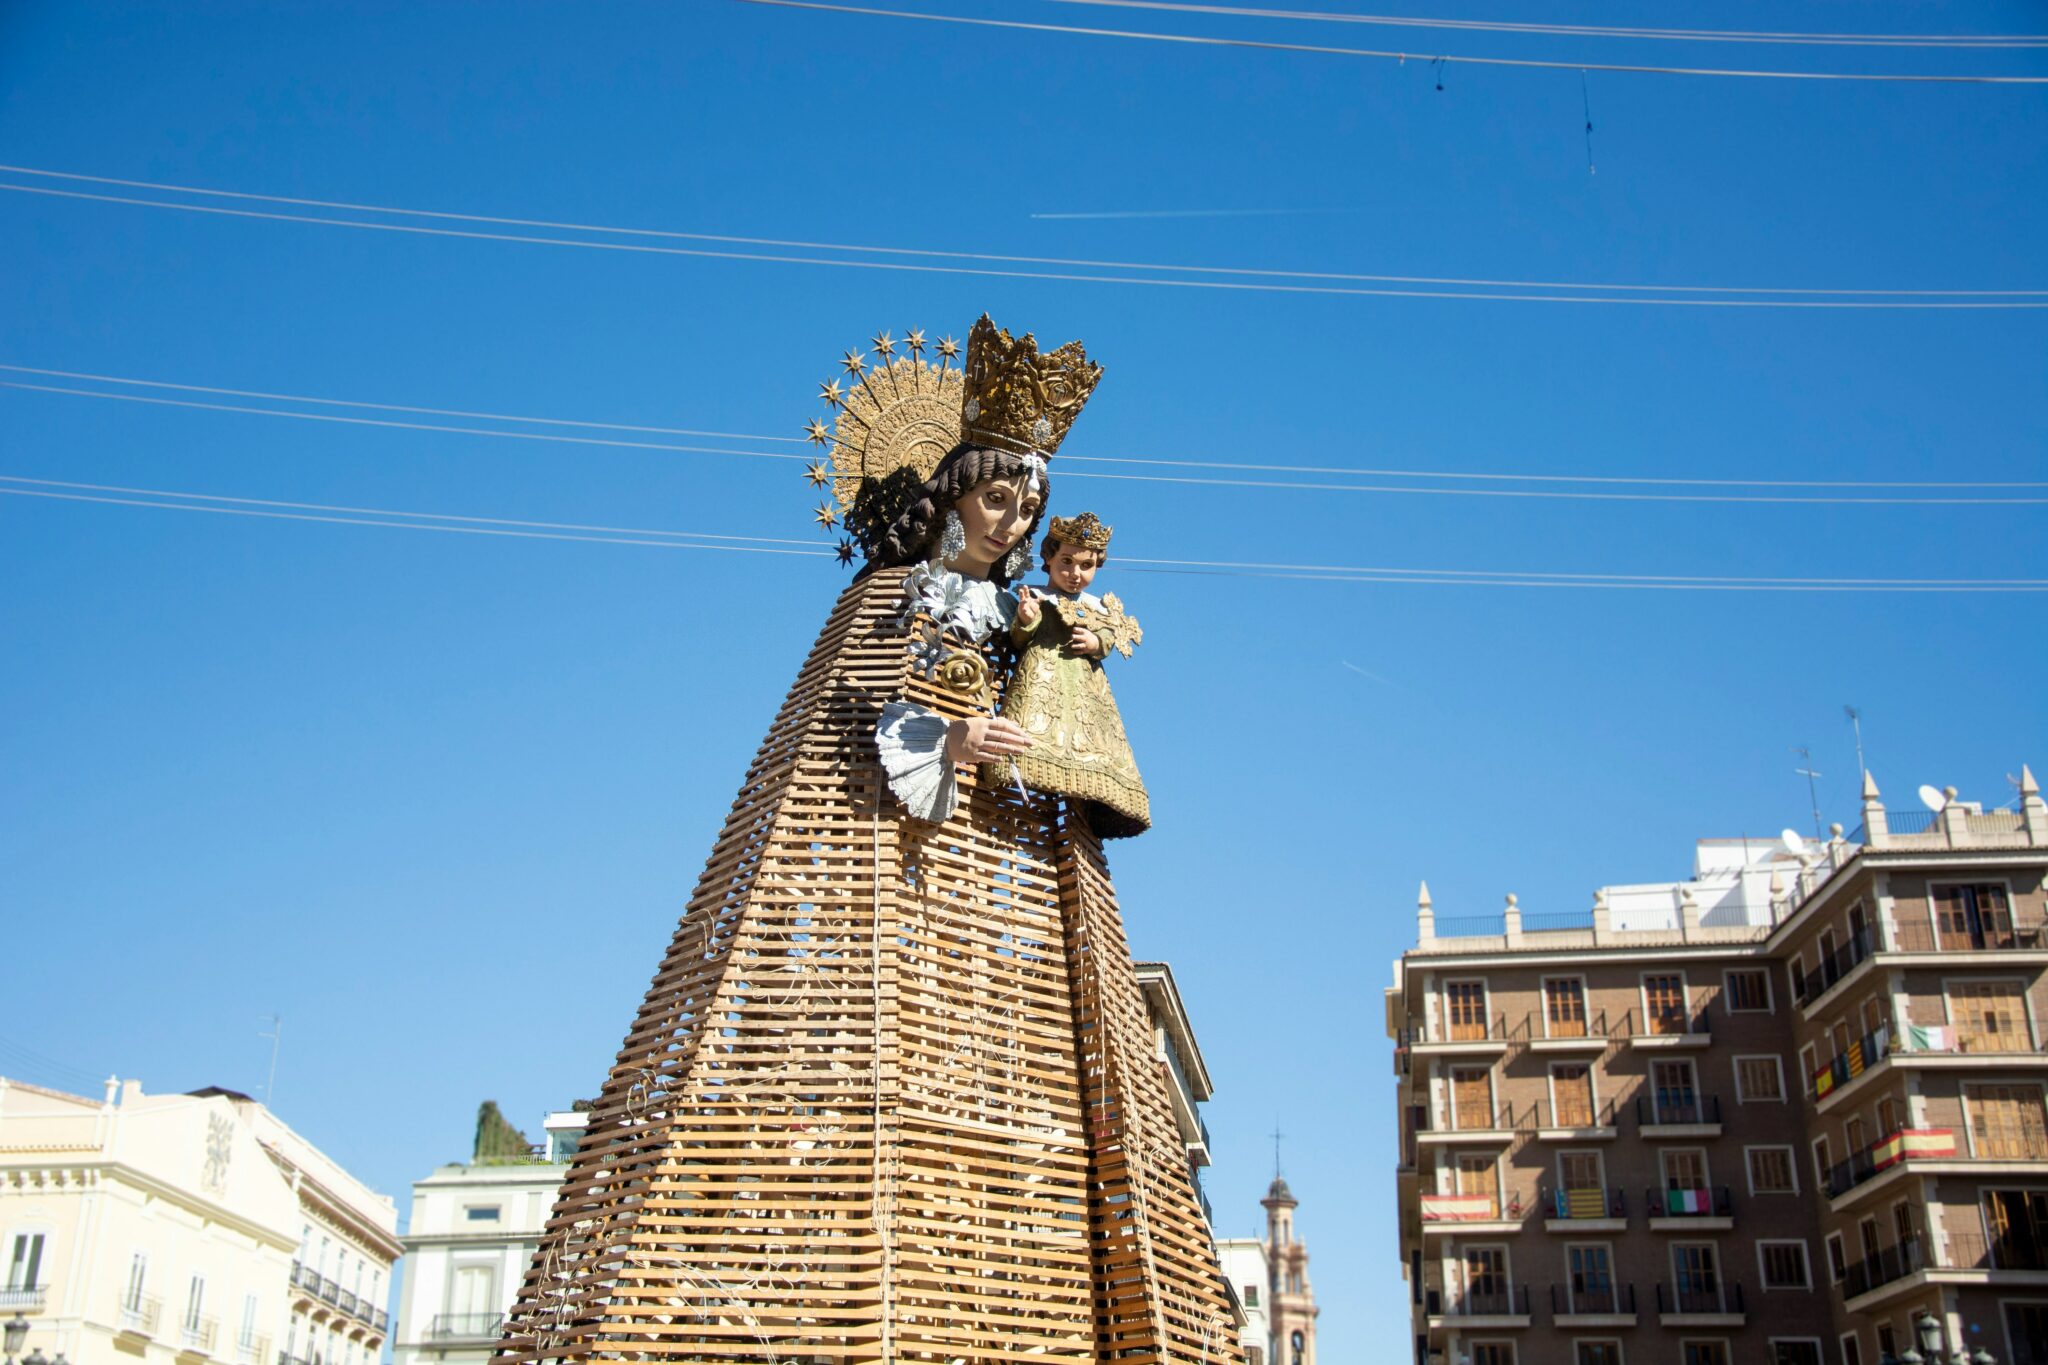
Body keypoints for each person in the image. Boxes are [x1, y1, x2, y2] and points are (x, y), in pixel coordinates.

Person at [993, 511, 1149, 837]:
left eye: (1086, 566)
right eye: (1067, 562)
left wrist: (1096, 641)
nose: (1075, 573)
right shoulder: (1036, 596)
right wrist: (1026, 618)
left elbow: (1108, 639)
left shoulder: (1097, 607)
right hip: (1042, 676)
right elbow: (1020, 639)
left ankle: (1097, 796)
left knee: (1094, 738)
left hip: (1085, 689)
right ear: (1049, 559)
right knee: (1034, 731)